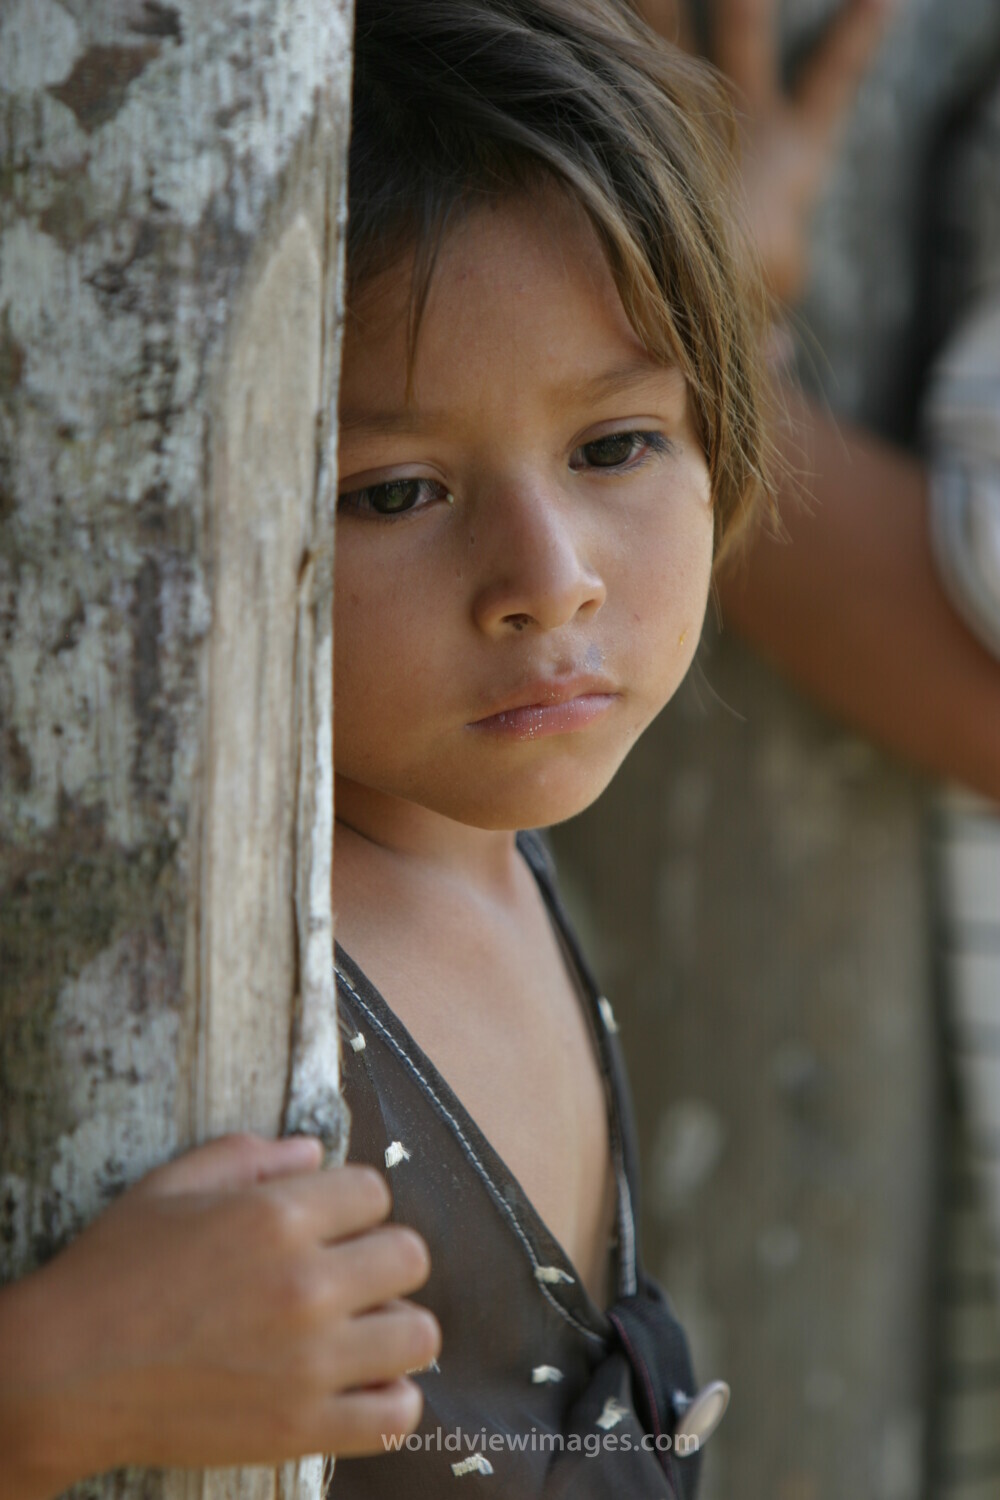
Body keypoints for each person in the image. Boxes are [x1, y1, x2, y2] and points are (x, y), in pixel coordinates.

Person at [1, 0, 770, 1494]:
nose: (550, 578)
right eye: (396, 491)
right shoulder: (147, 954)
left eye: (613, 447)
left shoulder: (477, 811)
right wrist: (46, 1384)